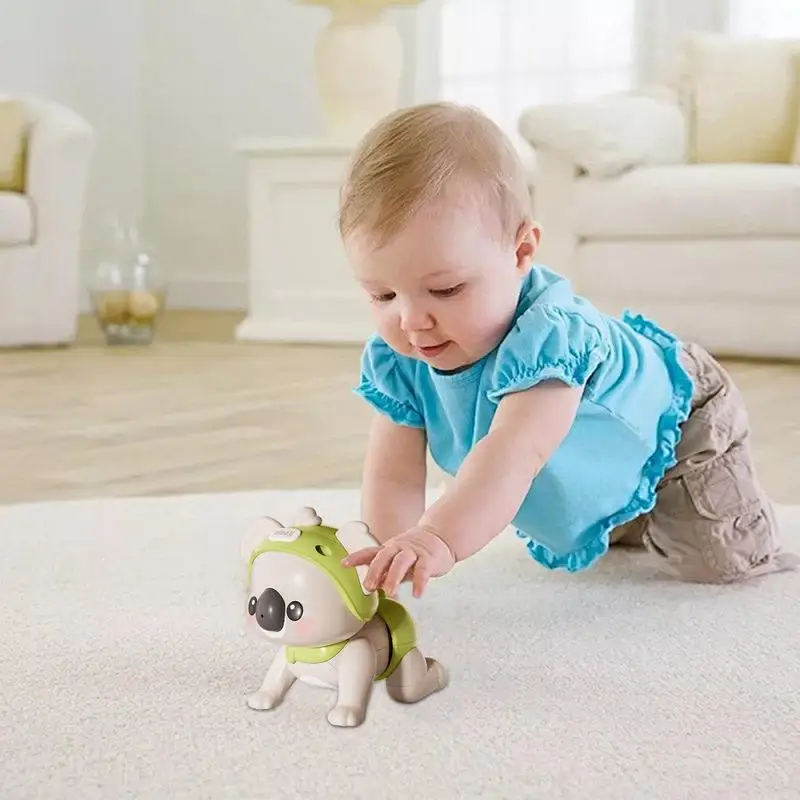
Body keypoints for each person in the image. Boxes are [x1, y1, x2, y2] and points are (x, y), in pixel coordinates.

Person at [336, 101, 797, 598]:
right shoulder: (400, 357)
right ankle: (630, 509)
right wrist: (385, 556)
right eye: (382, 295)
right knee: (593, 512)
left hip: (682, 424)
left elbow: (513, 453)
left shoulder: (551, 341)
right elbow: (393, 474)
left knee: (719, 561)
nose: (410, 321)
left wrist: (436, 536)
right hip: (596, 456)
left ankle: (729, 528)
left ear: (520, 253)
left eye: (445, 290)